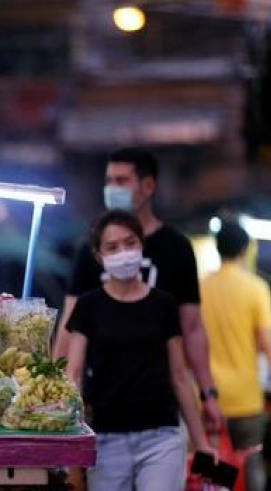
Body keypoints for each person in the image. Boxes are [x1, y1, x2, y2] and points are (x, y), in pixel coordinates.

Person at [65, 210, 215, 491]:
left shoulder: (163, 304)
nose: (123, 253)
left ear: (141, 247)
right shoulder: (89, 306)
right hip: (107, 441)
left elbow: (180, 376)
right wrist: (66, 438)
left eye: (130, 244)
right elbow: (73, 374)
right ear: (99, 257)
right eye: (112, 247)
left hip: (161, 439)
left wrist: (202, 443)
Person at [54, 147, 222, 431]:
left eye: (121, 181)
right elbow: (68, 326)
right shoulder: (91, 250)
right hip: (104, 406)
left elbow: (192, 328)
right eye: (108, 181)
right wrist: (53, 385)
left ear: (148, 186)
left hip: (161, 407)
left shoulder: (176, 248)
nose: (112, 189)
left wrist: (208, 393)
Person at [200, 220, 271, 491]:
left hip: (208, 396)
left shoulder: (201, 287)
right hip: (245, 395)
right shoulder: (255, 288)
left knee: (212, 464)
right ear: (244, 250)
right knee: (251, 460)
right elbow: (268, 345)